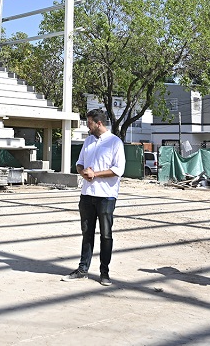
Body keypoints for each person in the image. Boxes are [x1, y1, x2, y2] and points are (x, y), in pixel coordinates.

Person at [62, 108, 125, 286]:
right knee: (86, 233)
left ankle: (104, 272)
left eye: (89, 122)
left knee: (106, 235)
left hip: (106, 196)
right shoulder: (88, 141)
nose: (87, 126)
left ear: (99, 123)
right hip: (87, 195)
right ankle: (83, 269)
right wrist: (83, 172)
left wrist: (95, 174)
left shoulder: (115, 142)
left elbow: (117, 170)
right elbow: (79, 163)